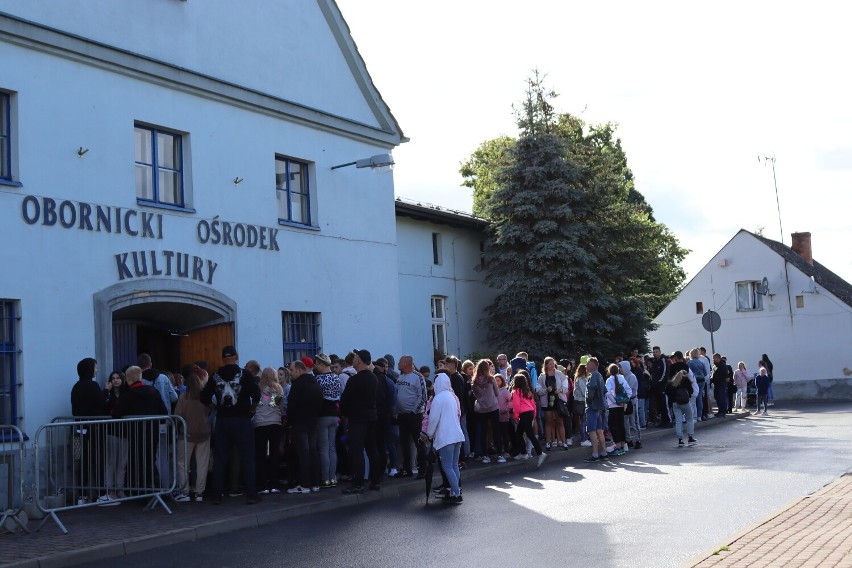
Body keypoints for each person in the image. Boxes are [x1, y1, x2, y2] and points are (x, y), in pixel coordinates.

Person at [200, 345, 261, 505]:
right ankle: (251, 495)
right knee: (247, 458)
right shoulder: (245, 374)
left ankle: (216, 496)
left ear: (223, 358)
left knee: (220, 459)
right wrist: (250, 410)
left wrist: (215, 407)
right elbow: (257, 395)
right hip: (242, 420)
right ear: (236, 356)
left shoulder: (215, 375)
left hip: (223, 421)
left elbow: (204, 397)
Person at [113, 366, 168, 494]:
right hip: (152, 433)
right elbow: (164, 412)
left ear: (128, 379)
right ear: (140, 377)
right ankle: (152, 488)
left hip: (134, 434)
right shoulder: (154, 392)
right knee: (150, 460)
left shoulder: (127, 395)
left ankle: (139, 491)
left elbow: (116, 414)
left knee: (136, 462)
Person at [340, 348, 380, 494]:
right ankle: (375, 481)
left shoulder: (355, 380)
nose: (354, 360)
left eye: (356, 358)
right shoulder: (373, 378)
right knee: (372, 450)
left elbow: (345, 400)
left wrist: (344, 413)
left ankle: (358, 483)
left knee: (356, 451)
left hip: (357, 419)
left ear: (359, 361)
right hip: (371, 417)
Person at [424, 374, 465, 504]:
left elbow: (433, 419)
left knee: (447, 466)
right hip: (457, 435)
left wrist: (429, 434)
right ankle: (455, 491)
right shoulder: (452, 396)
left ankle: (457, 493)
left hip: (446, 437)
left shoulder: (438, 398)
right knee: (454, 465)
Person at [71, 357, 106, 505]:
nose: (96, 370)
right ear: (89, 369)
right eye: (95, 367)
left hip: (78, 430)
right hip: (94, 429)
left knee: (82, 462)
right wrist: (107, 392)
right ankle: (101, 494)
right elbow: (101, 403)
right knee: (98, 460)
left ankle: (82, 495)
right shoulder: (93, 386)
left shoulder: (76, 386)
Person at [174, 366, 212, 502]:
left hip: (186, 434)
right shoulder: (204, 397)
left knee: (182, 463)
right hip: (204, 433)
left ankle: (184, 491)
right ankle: (199, 492)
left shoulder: (184, 397)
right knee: (202, 464)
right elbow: (209, 411)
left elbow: (177, 415)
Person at [286, 359, 323, 494]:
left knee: (303, 454)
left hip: (299, 424)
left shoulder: (298, 385)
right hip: (313, 423)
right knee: (313, 453)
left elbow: (292, 406)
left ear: (300, 370)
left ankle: (305, 484)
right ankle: (315, 483)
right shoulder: (316, 383)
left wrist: (289, 423)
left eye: (292, 370)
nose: (290, 373)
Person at [395, 355, 427, 478]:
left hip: (414, 415)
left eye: (400, 361)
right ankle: (407, 469)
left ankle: (422, 470)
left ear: (407, 363)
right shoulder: (400, 377)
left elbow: (423, 396)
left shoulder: (418, 377)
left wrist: (414, 411)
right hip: (402, 415)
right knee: (404, 443)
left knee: (418, 442)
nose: (398, 363)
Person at [253, 367, 284, 495]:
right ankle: (274, 484)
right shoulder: (278, 388)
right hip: (275, 423)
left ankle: (263, 485)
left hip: (260, 423)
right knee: (274, 454)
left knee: (260, 455)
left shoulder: (257, 388)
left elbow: (254, 404)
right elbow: (281, 406)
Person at [313, 353, 341, 488]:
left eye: (317, 364)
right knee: (332, 448)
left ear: (323, 365)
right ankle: (333, 477)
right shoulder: (336, 378)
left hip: (323, 416)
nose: (315, 366)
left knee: (323, 448)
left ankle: (325, 478)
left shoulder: (318, 379)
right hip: (334, 415)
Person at [100, 370, 127, 505]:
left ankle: (120, 489)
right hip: (111, 432)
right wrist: (106, 391)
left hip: (124, 432)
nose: (116, 380)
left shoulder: (126, 393)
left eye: (118, 378)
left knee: (122, 463)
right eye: (113, 378)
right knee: (110, 462)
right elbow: (103, 407)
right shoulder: (108, 394)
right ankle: (109, 489)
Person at [509, 373, 546, 467]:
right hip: (529, 413)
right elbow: (533, 404)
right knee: (520, 433)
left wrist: (516, 416)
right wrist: (533, 414)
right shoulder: (527, 391)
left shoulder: (516, 391)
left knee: (528, 434)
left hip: (524, 414)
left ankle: (540, 453)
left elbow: (516, 405)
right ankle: (524, 453)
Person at [472, 359, 504, 463]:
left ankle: (485, 455)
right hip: (493, 407)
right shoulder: (491, 379)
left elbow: (475, 395)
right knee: (496, 431)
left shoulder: (475, 381)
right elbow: (497, 393)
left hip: (482, 409)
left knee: (483, 432)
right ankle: (500, 454)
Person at [537, 356, 569, 450]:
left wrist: (560, 390)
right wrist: (545, 390)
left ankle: (564, 442)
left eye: (553, 363)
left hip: (558, 401)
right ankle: (548, 442)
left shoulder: (559, 374)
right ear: (546, 365)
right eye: (550, 364)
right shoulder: (542, 377)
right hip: (547, 402)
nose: (552, 365)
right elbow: (538, 389)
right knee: (548, 422)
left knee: (560, 421)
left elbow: (565, 387)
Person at [583, 358, 608, 462]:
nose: (586, 366)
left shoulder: (593, 376)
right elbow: (604, 390)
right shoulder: (600, 376)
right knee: (599, 430)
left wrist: (588, 402)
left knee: (592, 431)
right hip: (599, 407)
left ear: (593, 365)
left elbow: (591, 391)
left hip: (592, 407)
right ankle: (604, 453)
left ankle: (595, 454)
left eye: (587, 364)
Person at [605, 363, 632, 456]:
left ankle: (617, 446)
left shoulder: (609, 380)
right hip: (621, 406)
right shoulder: (622, 378)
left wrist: (615, 401)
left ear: (609, 371)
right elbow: (629, 391)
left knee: (613, 425)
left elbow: (608, 393)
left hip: (613, 406)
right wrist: (624, 401)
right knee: (621, 425)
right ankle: (623, 445)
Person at [666, 370, 698, 447]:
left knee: (678, 421)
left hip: (675, 403)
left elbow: (667, 392)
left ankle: (680, 439)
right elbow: (691, 390)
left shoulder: (672, 382)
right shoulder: (686, 380)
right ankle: (690, 437)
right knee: (689, 419)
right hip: (685, 402)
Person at [620, 360, 641, 450]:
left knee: (634, 421)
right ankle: (628, 440)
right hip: (624, 401)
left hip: (632, 401)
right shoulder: (622, 376)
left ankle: (638, 440)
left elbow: (627, 389)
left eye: (621, 367)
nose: (620, 369)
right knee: (626, 422)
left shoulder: (632, 377)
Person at [650, 346, 670, 427]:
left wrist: (659, 382)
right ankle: (662, 421)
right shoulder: (654, 361)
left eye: (656, 352)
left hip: (662, 386)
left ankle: (668, 421)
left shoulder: (663, 360)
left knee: (664, 404)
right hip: (655, 387)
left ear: (660, 352)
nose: (655, 353)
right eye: (654, 352)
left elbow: (665, 373)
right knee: (659, 405)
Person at [495, 374, 513, 461]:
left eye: (498, 380)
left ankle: (506, 451)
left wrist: (504, 410)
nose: (496, 382)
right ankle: (499, 451)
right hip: (495, 416)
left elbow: (510, 402)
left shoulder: (505, 391)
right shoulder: (494, 391)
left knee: (505, 434)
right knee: (498, 434)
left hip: (504, 416)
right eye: (495, 380)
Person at [687, 348, 707, 422]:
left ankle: (693, 416)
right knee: (699, 398)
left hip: (694, 381)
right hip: (702, 380)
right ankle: (699, 416)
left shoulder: (689, 363)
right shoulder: (701, 362)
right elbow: (705, 373)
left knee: (693, 399)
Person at [573, 364, 590, 446]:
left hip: (580, 401)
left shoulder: (579, 379)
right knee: (583, 420)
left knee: (583, 420)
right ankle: (584, 439)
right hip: (582, 402)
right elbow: (584, 392)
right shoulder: (581, 379)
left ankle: (584, 437)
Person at [711, 353, 729, 418]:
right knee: (717, 398)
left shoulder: (722, 366)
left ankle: (723, 412)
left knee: (722, 398)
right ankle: (720, 411)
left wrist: (715, 378)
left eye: (714, 358)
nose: (713, 359)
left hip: (721, 384)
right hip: (717, 384)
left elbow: (723, 375)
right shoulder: (716, 366)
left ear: (718, 358)